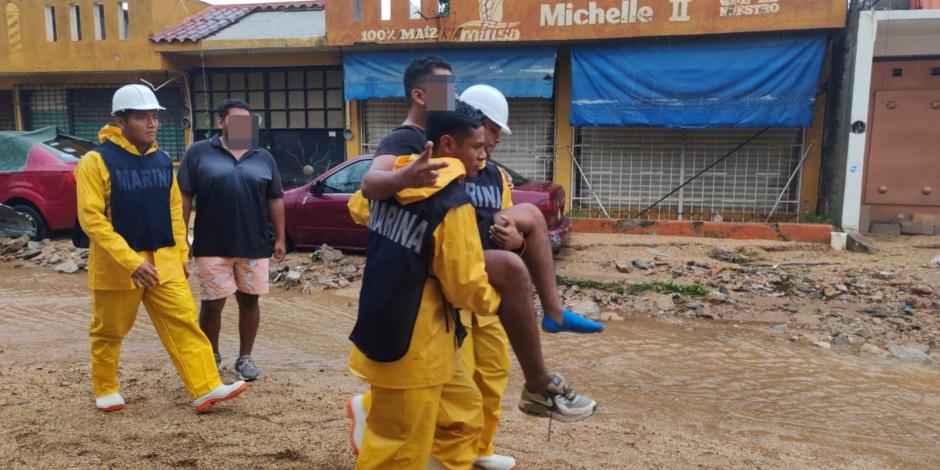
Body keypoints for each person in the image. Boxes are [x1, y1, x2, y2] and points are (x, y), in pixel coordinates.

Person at [348, 101, 596, 470]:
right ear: (448, 144)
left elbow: (361, 206)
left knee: (463, 416)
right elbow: (467, 288)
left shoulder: (392, 182)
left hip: (413, 332)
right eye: (478, 146)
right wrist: (509, 300)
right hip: (412, 346)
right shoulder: (451, 203)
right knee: (395, 448)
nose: (485, 154)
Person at [360, 58, 602, 334]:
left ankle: (552, 317)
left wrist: (518, 243)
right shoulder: (405, 140)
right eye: (447, 90)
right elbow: (369, 185)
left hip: (472, 277)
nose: (454, 96)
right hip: (443, 266)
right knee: (526, 229)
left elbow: (504, 227)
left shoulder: (493, 175)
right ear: (419, 96)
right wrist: (405, 176)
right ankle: (548, 336)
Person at [75, 84, 248, 413]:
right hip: (118, 265)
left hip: (165, 260)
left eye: (154, 117)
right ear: (121, 120)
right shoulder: (95, 162)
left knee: (184, 323)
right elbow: (92, 219)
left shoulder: (161, 159)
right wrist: (130, 262)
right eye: (142, 117)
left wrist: (182, 255)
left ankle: (206, 387)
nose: (152, 124)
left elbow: (175, 213)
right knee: (110, 329)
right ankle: (107, 387)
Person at [178, 99, 286, 382]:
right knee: (212, 303)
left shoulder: (263, 157)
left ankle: (245, 358)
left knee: (250, 302)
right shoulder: (198, 153)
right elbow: (184, 197)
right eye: (235, 120)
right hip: (211, 244)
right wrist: (181, 238)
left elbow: (275, 199)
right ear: (220, 122)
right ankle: (211, 355)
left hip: (253, 244)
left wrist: (281, 238)